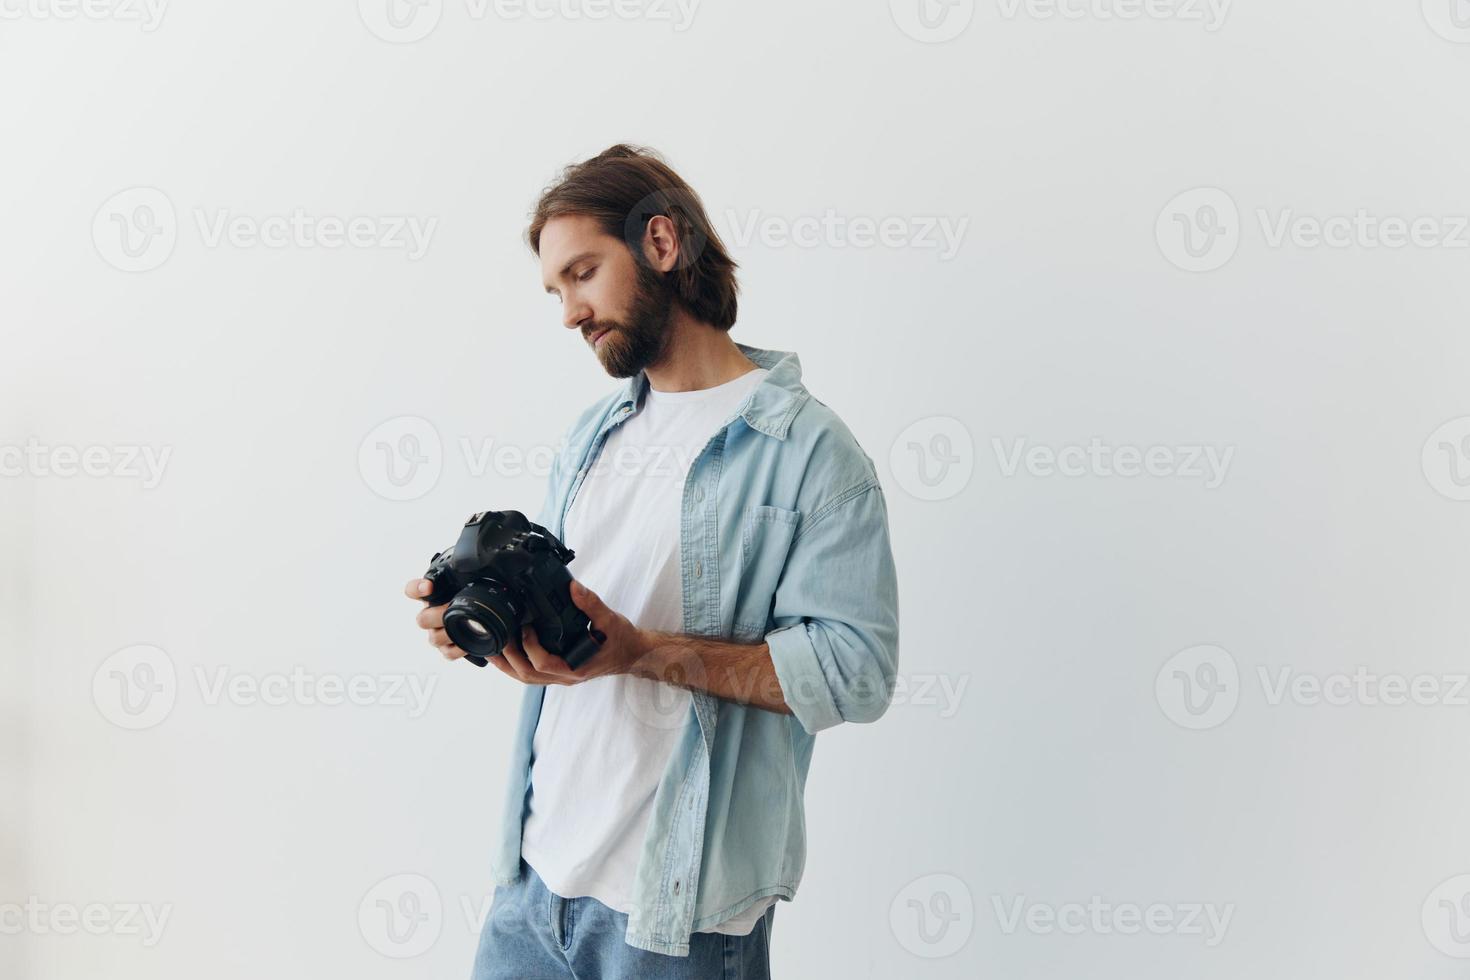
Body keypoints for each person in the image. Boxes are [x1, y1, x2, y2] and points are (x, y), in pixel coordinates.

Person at [404, 144, 900, 979]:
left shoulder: (814, 455)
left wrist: (648, 654)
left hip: (678, 923)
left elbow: (857, 674)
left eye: (584, 273)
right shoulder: (592, 435)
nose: (569, 312)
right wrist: (501, 633)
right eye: (556, 291)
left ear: (661, 244)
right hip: (532, 889)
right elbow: (583, 630)